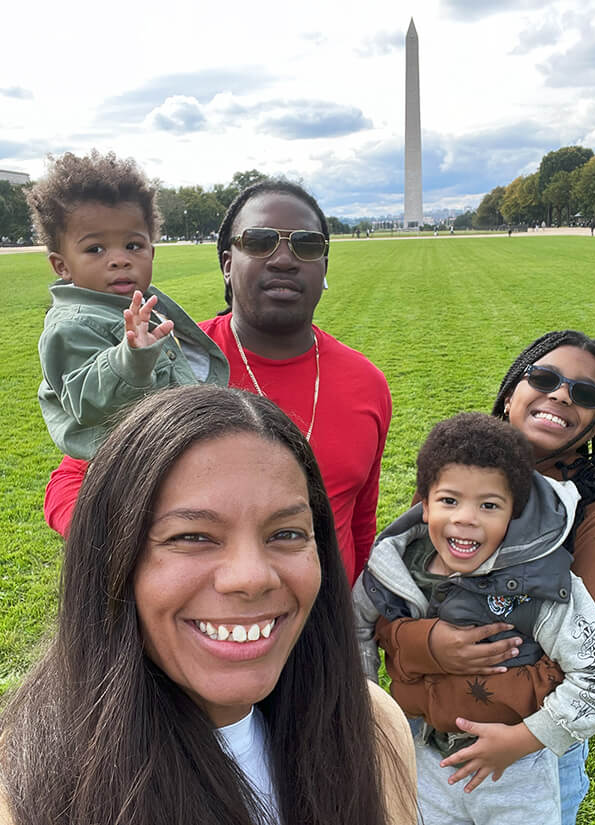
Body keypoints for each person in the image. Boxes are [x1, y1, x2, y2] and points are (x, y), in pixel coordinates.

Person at [0, 385, 416, 825]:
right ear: (111, 561)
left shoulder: (370, 724)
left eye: (287, 533)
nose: (252, 577)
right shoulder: (26, 789)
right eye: (191, 537)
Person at [43, 180, 391, 585]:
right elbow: (68, 482)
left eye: (306, 245)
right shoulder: (166, 358)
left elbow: (360, 516)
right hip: (208, 620)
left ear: (324, 267)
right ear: (228, 263)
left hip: (327, 627)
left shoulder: (367, 382)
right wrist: (134, 545)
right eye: (259, 242)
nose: (283, 259)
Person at [374, 330, 595, 824]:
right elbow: (395, 597)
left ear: (594, 427)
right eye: (545, 378)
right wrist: (430, 644)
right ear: (510, 396)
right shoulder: (459, 477)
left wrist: (514, 740)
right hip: (427, 739)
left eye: (585, 394)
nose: (562, 394)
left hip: (532, 748)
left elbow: (585, 664)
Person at [28, 150, 229, 460]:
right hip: (129, 464)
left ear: (152, 251)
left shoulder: (141, 302)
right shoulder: (72, 325)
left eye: (133, 245)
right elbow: (85, 399)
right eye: (95, 249)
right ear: (62, 266)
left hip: (169, 443)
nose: (120, 259)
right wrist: (129, 360)